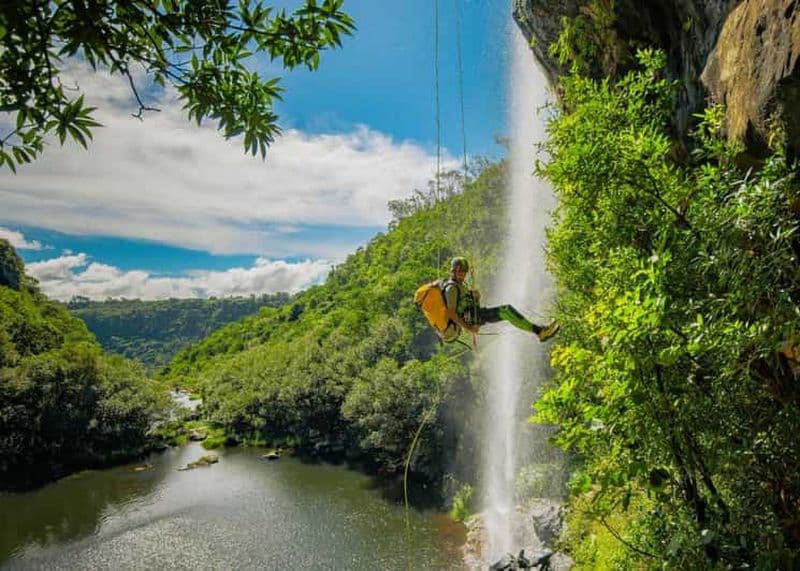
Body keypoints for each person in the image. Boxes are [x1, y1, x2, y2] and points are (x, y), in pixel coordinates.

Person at [441, 256, 560, 347]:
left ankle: (540, 331)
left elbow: (469, 305)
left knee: (506, 311)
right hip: (469, 319)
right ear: (453, 271)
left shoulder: (461, 286)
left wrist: (475, 298)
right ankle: (540, 331)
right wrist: (469, 327)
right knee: (506, 311)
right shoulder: (451, 288)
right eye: (460, 272)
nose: (462, 275)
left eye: (464, 272)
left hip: (475, 316)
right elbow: (451, 312)